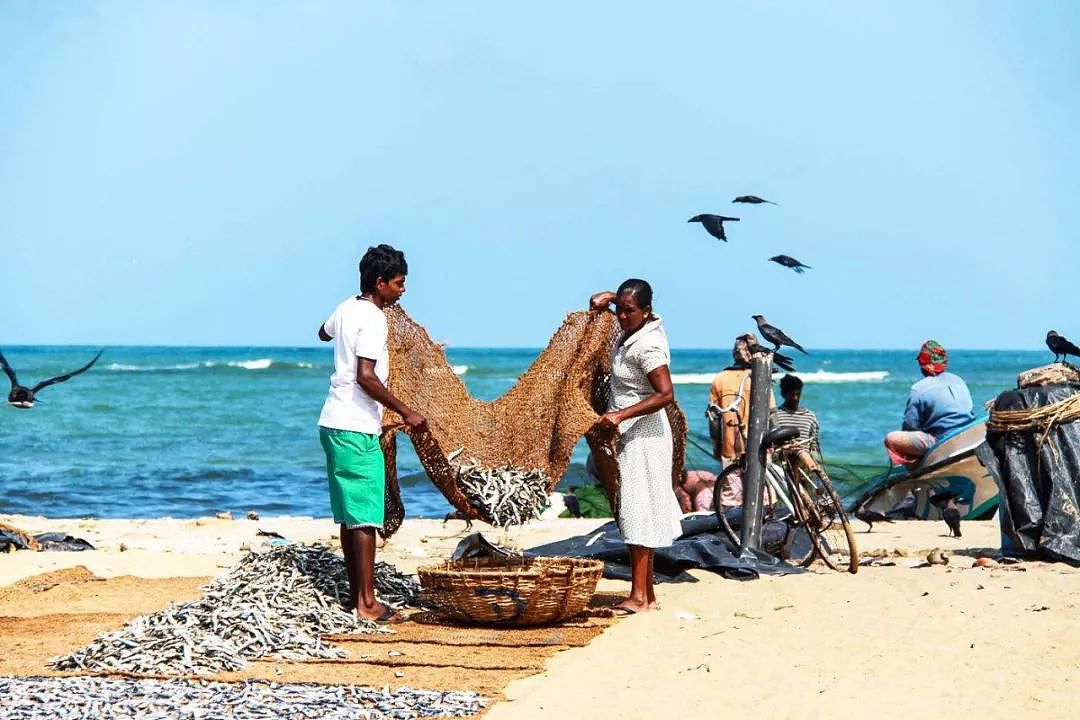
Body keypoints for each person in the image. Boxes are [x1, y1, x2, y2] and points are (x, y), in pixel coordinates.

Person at [317, 244, 427, 624]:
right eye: (398, 283)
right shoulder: (376, 319)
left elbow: (322, 333)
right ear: (379, 283)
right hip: (355, 424)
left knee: (351, 516)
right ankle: (367, 604)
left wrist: (342, 331)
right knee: (366, 517)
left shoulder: (347, 307)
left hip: (331, 422)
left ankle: (356, 597)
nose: (403, 290)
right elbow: (366, 376)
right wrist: (406, 411)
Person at [589, 279, 683, 615]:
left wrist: (619, 415)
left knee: (636, 512)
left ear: (646, 311)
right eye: (620, 309)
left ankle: (639, 598)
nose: (622, 316)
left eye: (630, 311)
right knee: (637, 510)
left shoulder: (649, 346)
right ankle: (648, 595)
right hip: (632, 435)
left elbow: (665, 394)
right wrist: (612, 298)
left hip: (645, 436)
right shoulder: (635, 332)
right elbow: (616, 303)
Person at [708, 333, 775, 508]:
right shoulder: (760, 377)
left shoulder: (719, 379)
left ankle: (734, 533)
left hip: (730, 448)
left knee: (732, 501)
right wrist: (774, 443)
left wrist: (716, 444)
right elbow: (771, 414)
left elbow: (714, 419)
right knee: (763, 497)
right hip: (760, 447)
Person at [884, 340, 975, 467]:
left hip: (942, 441)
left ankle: (916, 468)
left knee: (891, 438)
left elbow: (910, 427)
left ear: (922, 364)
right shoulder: (958, 380)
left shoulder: (918, 389)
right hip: (968, 435)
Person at [770, 373, 821, 472]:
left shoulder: (810, 416)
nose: (795, 398)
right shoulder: (775, 416)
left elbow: (814, 445)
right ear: (784, 395)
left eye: (798, 394)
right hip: (782, 468)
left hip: (805, 467)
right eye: (792, 395)